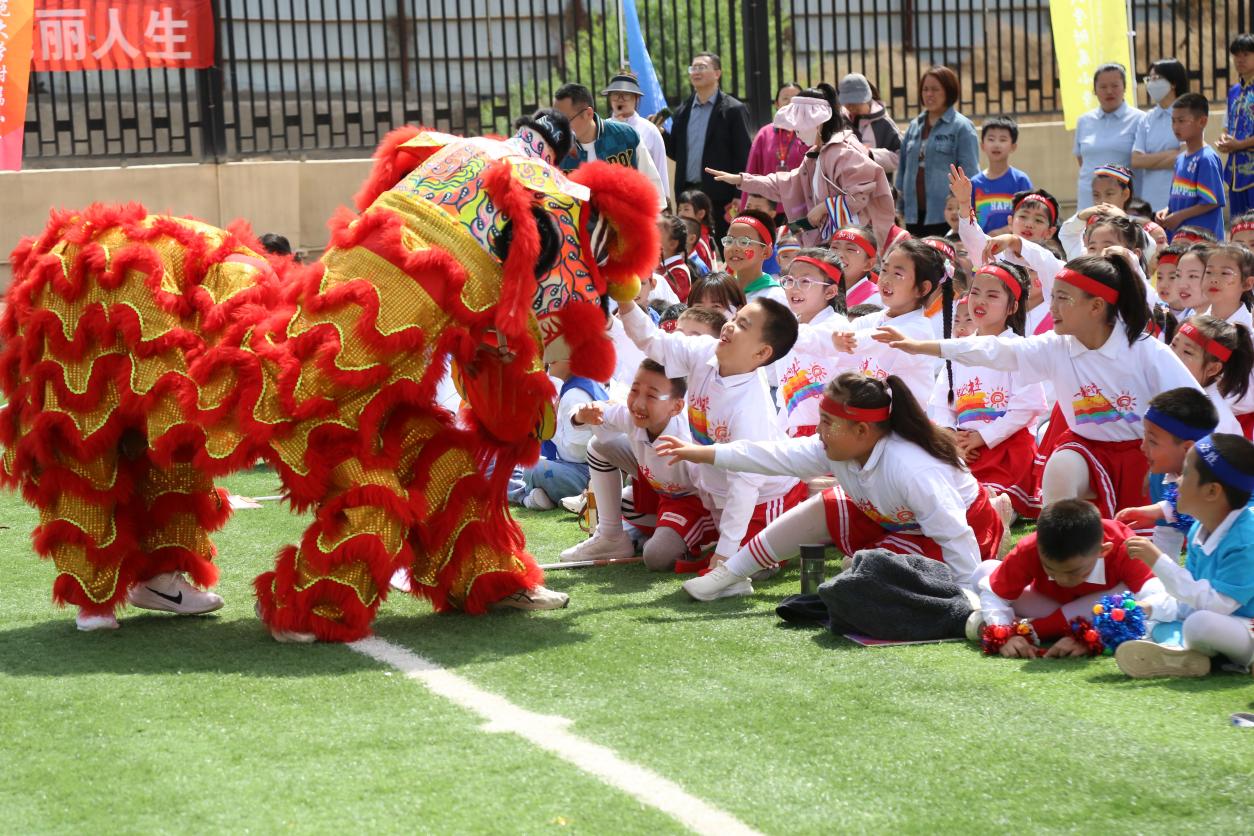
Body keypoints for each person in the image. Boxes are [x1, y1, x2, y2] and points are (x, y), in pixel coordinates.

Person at [878, 253, 1201, 521]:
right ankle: (1059, 547)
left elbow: (1197, 408)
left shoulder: (1145, 350)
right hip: (1086, 449)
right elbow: (994, 350)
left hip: (1143, 456)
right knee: (1061, 467)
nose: (1052, 308)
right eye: (1052, 297)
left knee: (1145, 540)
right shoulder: (1055, 346)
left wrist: (1184, 464)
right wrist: (920, 346)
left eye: (1063, 299)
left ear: (1096, 306)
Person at [661, 372, 1004, 602]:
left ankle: (997, 515)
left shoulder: (911, 468)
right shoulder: (837, 447)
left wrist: (968, 597)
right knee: (829, 508)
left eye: (827, 422)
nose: (818, 431)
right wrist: (703, 453)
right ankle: (732, 575)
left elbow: (955, 536)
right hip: (891, 519)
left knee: (861, 571)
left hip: (957, 530)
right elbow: (771, 454)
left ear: (862, 431)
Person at [619, 296, 809, 580]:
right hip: (712, 493)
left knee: (749, 570)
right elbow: (655, 343)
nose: (729, 325)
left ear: (761, 352)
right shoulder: (704, 351)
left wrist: (725, 554)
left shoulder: (749, 409)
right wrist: (625, 301)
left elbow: (745, 487)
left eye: (743, 325)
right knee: (666, 556)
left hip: (764, 498)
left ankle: (806, 519)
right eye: (735, 318)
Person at [1117, 433, 1254, 678]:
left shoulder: (1246, 538)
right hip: (1223, 622)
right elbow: (1188, 598)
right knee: (1151, 597)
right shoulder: (1198, 528)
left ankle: (1179, 646)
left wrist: (1158, 561)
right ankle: (1179, 651)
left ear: (1211, 491)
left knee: (1200, 624)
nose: (1177, 481)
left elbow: (1217, 606)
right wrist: (1146, 608)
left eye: (1187, 473)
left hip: (1245, 626)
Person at [561, 360, 715, 570]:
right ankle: (610, 536)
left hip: (694, 503)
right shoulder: (631, 414)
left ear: (677, 406)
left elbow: (716, 491)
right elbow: (590, 410)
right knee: (599, 445)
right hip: (660, 491)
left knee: (656, 556)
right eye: (634, 390)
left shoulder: (688, 439)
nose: (638, 403)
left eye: (651, 396)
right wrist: (581, 415)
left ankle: (704, 538)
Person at [969, 499, 1170, 657]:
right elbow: (995, 593)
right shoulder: (1031, 547)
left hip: (1100, 608)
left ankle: (1031, 626)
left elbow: (1157, 599)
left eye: (1073, 571)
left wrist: (1094, 635)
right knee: (984, 571)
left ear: (1103, 551)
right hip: (1047, 602)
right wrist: (1003, 634)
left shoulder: (1125, 545)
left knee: (1129, 595)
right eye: (1050, 569)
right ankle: (1024, 624)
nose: (1062, 580)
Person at [927, 262, 1046, 520]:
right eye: (976, 292)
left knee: (994, 500)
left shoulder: (1019, 349)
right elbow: (943, 405)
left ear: (1012, 307)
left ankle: (998, 513)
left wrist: (983, 436)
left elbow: (1024, 410)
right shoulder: (958, 349)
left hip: (1005, 446)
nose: (980, 301)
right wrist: (952, 439)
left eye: (992, 295)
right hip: (964, 446)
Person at [707, 88, 896, 249]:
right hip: (833, 240)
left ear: (819, 123)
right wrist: (741, 180)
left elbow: (860, 195)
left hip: (853, 241)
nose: (796, 131)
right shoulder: (815, 155)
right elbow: (783, 183)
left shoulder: (843, 151)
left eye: (800, 125)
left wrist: (822, 208)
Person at [1116, 388, 1222, 558]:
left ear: (1187, 448)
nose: (1142, 447)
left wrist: (1162, 511)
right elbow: (1166, 537)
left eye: (1152, 441)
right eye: (1144, 436)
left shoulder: (1224, 479)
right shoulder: (1160, 477)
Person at [658, 51, 754, 238]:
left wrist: (739, 194)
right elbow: (677, 152)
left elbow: (743, 155)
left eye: (701, 67)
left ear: (717, 73)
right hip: (687, 195)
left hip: (721, 197)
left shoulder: (733, 109)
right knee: (689, 245)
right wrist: (660, 133)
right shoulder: (683, 110)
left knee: (722, 244)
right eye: (693, 68)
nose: (696, 72)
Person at [508, 357, 606, 510]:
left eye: (557, 352)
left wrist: (551, 428)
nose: (549, 358)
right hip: (583, 470)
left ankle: (527, 497)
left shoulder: (574, 394)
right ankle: (535, 496)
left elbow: (578, 453)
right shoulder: (577, 386)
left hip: (587, 475)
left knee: (530, 467)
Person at [773, 248, 850, 438]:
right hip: (791, 430)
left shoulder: (838, 326)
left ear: (830, 291)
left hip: (828, 431)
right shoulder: (793, 325)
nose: (794, 288)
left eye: (805, 281)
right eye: (789, 280)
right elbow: (785, 395)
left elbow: (812, 339)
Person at [896, 66, 979, 237]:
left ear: (948, 91)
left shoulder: (962, 127)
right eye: (925, 89)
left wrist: (964, 208)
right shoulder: (914, 126)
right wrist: (900, 206)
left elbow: (970, 172)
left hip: (946, 216)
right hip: (914, 215)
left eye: (935, 89)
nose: (929, 94)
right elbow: (902, 170)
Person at [553, 83, 666, 208]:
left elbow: (653, 187)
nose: (559, 127)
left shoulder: (626, 136)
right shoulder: (556, 152)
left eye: (565, 120)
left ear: (588, 114)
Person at [1073, 63, 1145, 211]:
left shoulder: (1140, 120)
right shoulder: (1084, 121)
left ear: (1125, 87)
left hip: (1123, 204)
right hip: (1088, 202)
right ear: (1094, 90)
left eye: (1115, 85)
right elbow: (1082, 160)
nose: (1109, 91)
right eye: (1103, 87)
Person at [1158, 93, 1226, 242]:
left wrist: (1179, 216)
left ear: (1202, 121)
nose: (1176, 126)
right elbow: (1178, 198)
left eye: (1181, 121)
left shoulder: (1206, 158)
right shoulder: (1180, 159)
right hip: (1180, 240)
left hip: (1202, 242)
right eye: (1173, 121)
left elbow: (1211, 201)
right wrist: (1167, 211)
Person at [602, 71, 671, 207]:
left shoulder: (650, 130)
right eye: (615, 94)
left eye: (626, 94)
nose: (620, 99)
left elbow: (660, 170)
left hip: (642, 202)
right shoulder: (601, 129)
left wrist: (664, 206)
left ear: (636, 98)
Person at [741, 81, 808, 212]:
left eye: (795, 99)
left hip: (802, 206)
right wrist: (745, 209)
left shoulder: (810, 133)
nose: (790, 103)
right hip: (767, 208)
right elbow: (752, 171)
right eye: (785, 98)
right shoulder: (764, 133)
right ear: (777, 104)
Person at [1132, 58, 1188, 212]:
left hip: (1178, 201)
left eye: (1156, 78)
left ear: (1173, 83)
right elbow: (1136, 160)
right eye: (1149, 79)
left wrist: (1149, 159)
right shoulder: (1147, 119)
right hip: (1150, 203)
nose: (1151, 83)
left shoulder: (1187, 115)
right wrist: (1172, 154)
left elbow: (1186, 156)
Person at [970, 116, 1033, 234]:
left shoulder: (1020, 180)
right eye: (991, 139)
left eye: (1003, 140)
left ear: (1013, 146)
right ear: (982, 145)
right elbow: (968, 219)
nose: (996, 144)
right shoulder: (974, 183)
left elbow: (1029, 216)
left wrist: (1002, 232)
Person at [839, 73, 902, 176]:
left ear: (867, 98)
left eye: (854, 103)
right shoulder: (840, 121)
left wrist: (871, 155)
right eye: (847, 103)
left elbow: (902, 156)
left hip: (878, 184)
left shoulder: (885, 124)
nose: (850, 108)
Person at [1219, 34, 1254, 217]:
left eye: (1246, 54)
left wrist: (1239, 145)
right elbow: (1228, 125)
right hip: (1234, 175)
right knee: (1239, 227)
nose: (1240, 59)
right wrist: (1224, 140)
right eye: (1236, 55)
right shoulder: (1234, 91)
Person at [722, 210, 787, 304]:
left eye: (744, 242)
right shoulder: (721, 291)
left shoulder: (775, 298)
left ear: (765, 252)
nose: (734, 247)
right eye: (729, 241)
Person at [657, 214, 693, 302]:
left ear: (673, 244)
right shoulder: (660, 266)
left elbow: (665, 304)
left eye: (658, 232)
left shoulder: (679, 273)